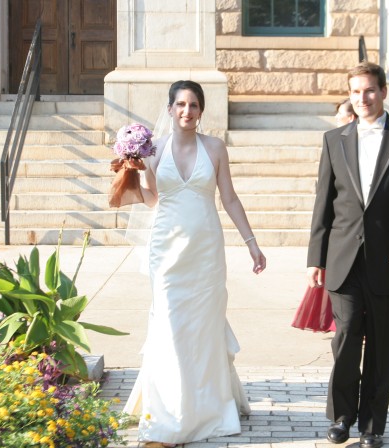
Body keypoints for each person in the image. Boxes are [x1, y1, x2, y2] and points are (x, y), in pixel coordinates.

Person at [123, 80, 266, 447]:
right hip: (166, 251)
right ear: (170, 108)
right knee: (169, 325)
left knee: (203, 327)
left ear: (201, 111)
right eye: (181, 104)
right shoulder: (154, 150)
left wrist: (251, 244)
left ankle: (207, 407)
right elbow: (153, 198)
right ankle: (168, 414)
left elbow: (229, 198)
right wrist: (130, 172)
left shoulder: (215, 148)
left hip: (205, 252)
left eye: (194, 105)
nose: (187, 111)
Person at [306, 62, 389, 448]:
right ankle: (342, 416)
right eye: (355, 91)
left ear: (383, 92)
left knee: (383, 345)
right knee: (347, 336)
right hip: (343, 258)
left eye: (369, 90)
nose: (362, 98)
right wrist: (316, 257)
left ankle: (372, 426)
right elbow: (324, 202)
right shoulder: (334, 140)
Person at [292, 98, 358, 333]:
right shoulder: (333, 142)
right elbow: (325, 197)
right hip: (338, 231)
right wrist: (315, 259)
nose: (336, 120)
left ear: (351, 117)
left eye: (340, 115)